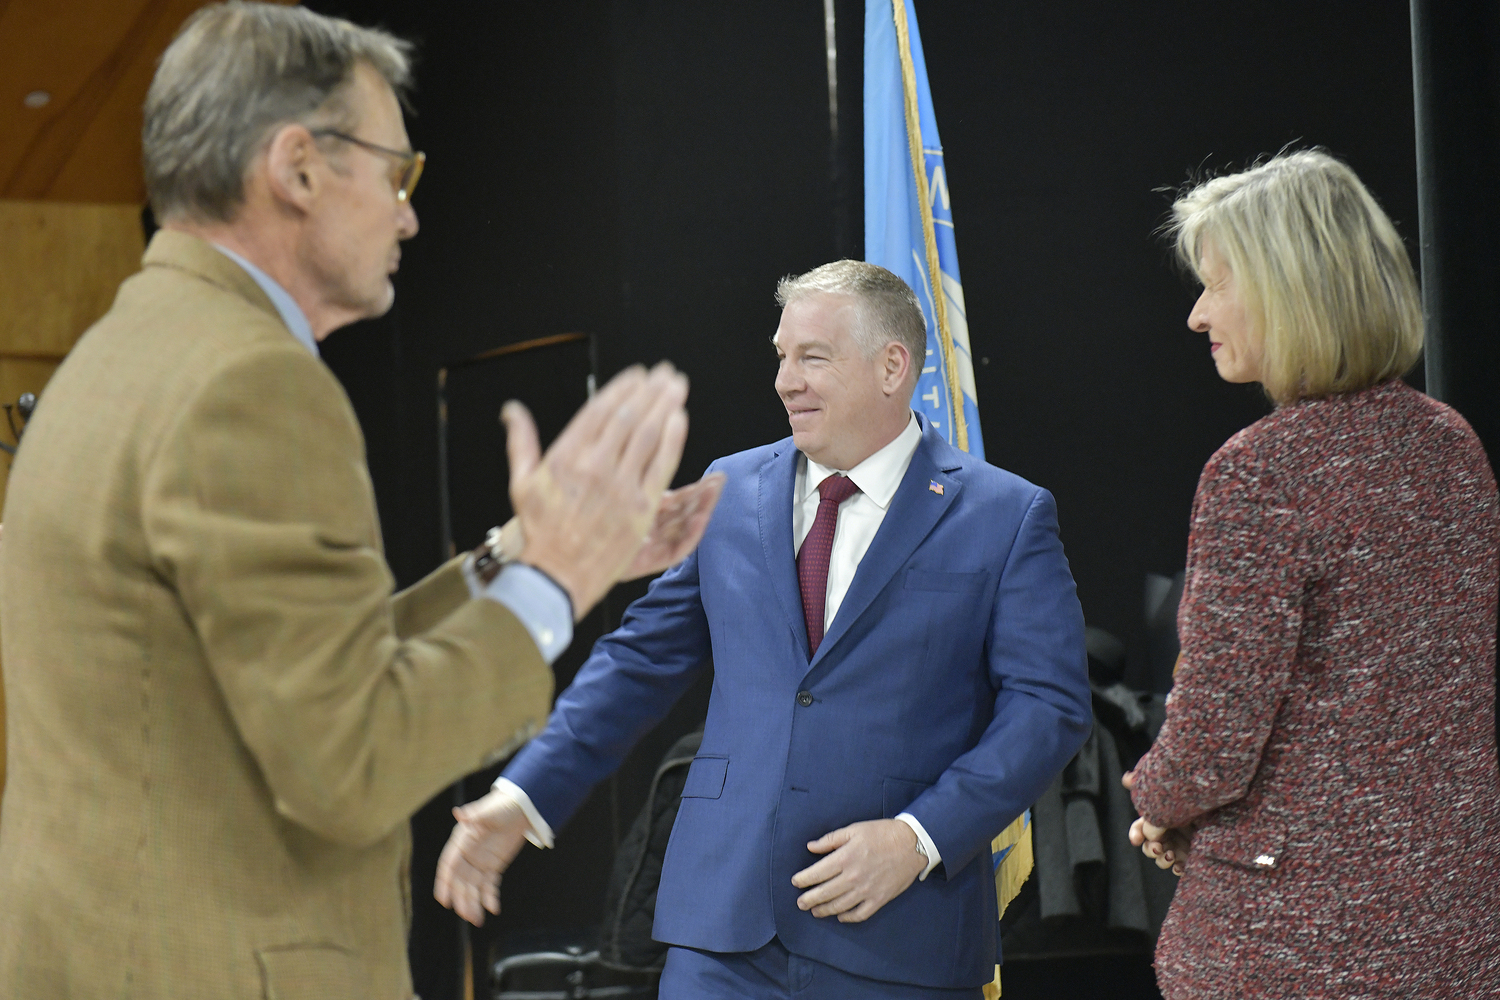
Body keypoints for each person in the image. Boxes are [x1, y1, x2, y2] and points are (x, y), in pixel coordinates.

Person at [0, 5, 721, 999]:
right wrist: (555, 582)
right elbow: (348, 759)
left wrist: (520, 553)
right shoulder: (248, 384)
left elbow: (289, 669)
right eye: (397, 172)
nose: (409, 215)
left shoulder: (115, 355)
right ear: (297, 168)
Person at [435, 260, 1092, 999]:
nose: (785, 380)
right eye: (781, 356)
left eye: (813, 356)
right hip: (724, 935)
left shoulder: (1005, 515)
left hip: (902, 934)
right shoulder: (730, 488)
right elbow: (636, 662)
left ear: (892, 366)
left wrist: (919, 838)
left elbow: (1049, 706)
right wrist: (525, 797)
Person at [1124, 150, 1500, 997]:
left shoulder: (1260, 471)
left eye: (1217, 284)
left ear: (1287, 288)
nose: (1196, 314)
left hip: (1293, 938)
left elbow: (1217, 730)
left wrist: (1155, 799)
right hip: (1452, 920)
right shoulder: (1452, 446)